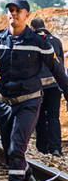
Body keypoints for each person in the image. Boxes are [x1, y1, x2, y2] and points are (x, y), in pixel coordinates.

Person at [0, 0, 68, 181]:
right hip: (4, 103)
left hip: (29, 103)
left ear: (27, 15)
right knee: (10, 154)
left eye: (18, 11)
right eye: (10, 10)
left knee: (16, 151)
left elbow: (58, 72)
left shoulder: (38, 42)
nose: (13, 14)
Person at [30, 17, 64, 155]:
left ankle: (42, 148)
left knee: (40, 116)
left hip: (39, 86)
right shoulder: (56, 41)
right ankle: (56, 148)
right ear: (44, 26)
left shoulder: (31, 41)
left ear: (32, 28)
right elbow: (60, 63)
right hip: (55, 85)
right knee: (53, 116)